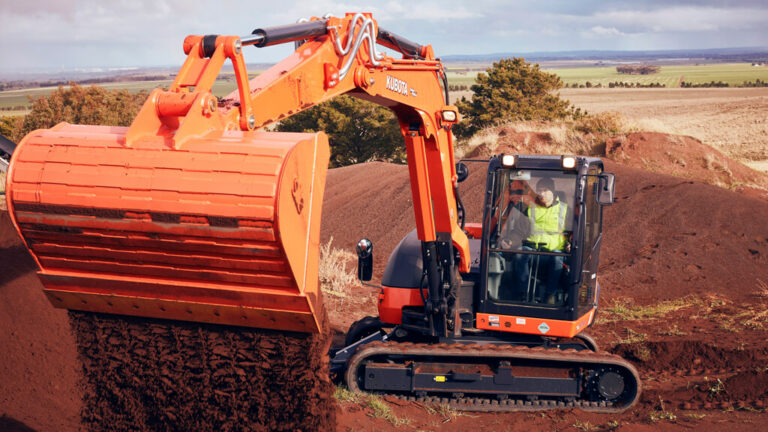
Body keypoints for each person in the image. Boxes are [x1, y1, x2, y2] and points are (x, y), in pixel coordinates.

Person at [513, 177, 569, 304]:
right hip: (533, 250)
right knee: (520, 254)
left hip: (553, 252)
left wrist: (570, 244)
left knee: (557, 259)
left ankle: (550, 295)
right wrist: (509, 241)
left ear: (553, 192)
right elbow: (518, 229)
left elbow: (572, 232)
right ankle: (523, 294)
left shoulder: (565, 210)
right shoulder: (530, 208)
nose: (541, 193)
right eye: (539, 190)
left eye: (545, 190)